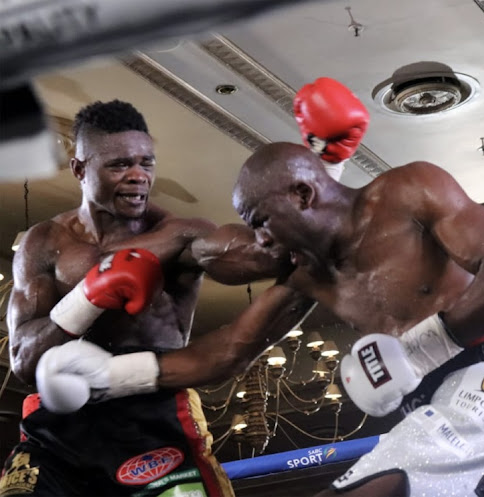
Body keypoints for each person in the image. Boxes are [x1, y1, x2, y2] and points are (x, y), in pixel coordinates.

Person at [39, 135, 484, 495]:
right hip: (432, 407)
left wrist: (421, 348)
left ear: (302, 192)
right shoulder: (306, 273)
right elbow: (224, 353)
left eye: (261, 220)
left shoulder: (409, 190)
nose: (261, 240)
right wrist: (109, 378)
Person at [0, 99, 327, 497]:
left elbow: (263, 255)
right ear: (80, 169)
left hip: (151, 421)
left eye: (146, 163)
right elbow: (24, 360)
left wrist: (320, 209)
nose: (138, 176)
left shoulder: (180, 235)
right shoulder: (44, 242)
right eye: (120, 164)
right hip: (56, 431)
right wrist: (88, 297)